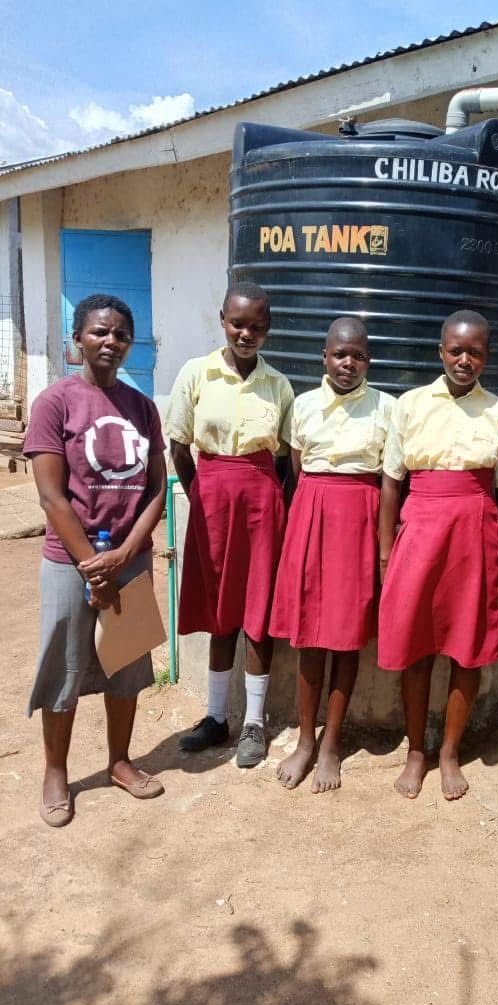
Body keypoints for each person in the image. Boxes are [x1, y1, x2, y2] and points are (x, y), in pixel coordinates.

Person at [24, 294, 167, 827]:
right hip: (70, 560)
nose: (110, 342)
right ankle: (56, 772)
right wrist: (91, 567)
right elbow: (51, 497)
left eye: (120, 335)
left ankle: (120, 761)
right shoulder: (55, 403)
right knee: (65, 665)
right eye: (99, 333)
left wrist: (127, 553)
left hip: (129, 558)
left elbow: (157, 486)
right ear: (78, 339)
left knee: (126, 665)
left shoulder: (142, 406)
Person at [378, 310, 498, 801]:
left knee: (466, 647)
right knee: (417, 645)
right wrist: (386, 551)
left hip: (476, 531)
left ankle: (450, 751)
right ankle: (417, 749)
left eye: (475, 352)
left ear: (486, 356)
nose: (464, 360)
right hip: (422, 528)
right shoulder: (410, 406)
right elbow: (391, 482)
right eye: (456, 350)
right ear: (441, 352)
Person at [165, 282, 293, 767]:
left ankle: (254, 724)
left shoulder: (277, 384)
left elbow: (285, 457)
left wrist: (274, 501)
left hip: (262, 501)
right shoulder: (197, 374)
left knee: (258, 613)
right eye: (238, 323)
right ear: (222, 319)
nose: (246, 333)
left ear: (268, 328)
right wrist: (201, 495)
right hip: (212, 496)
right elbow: (179, 446)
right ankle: (217, 718)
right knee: (222, 610)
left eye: (257, 326)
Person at [270, 317, 393, 792]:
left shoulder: (387, 408)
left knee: (346, 635)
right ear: (324, 357)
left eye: (359, 355)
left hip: (360, 520)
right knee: (309, 635)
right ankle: (304, 740)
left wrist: (382, 544)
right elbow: (299, 468)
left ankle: (331, 745)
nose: (349, 363)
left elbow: (389, 477)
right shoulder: (303, 406)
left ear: (369, 360)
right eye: (340, 354)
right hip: (312, 515)